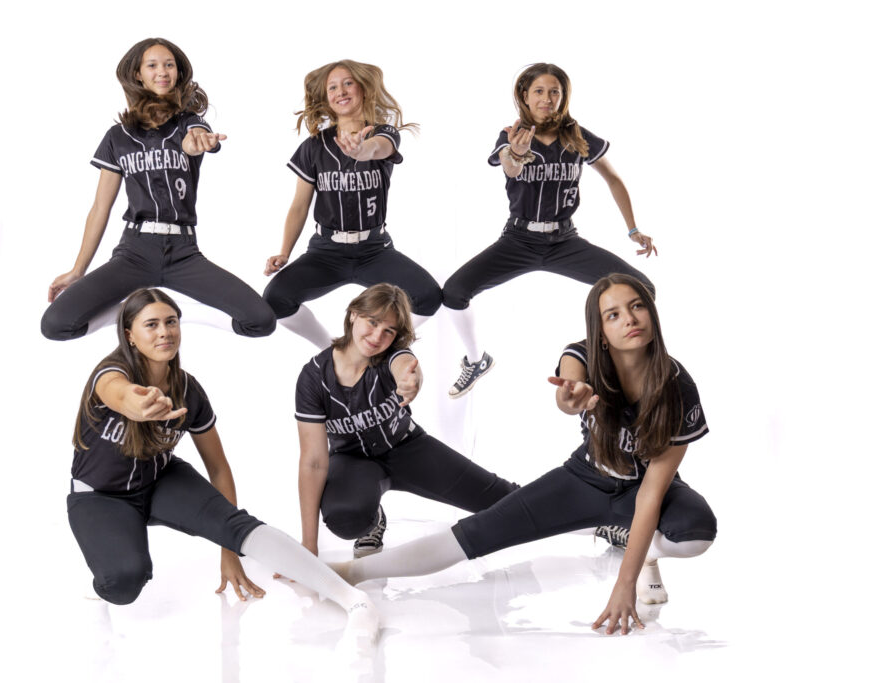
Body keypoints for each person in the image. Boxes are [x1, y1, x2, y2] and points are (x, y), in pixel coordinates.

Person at [329, 274, 716, 636]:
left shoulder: (678, 386)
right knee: (478, 532)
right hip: (584, 480)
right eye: (613, 315)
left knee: (697, 532)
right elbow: (571, 376)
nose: (629, 319)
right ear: (600, 334)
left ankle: (643, 548)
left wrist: (624, 583)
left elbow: (652, 492)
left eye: (637, 306)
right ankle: (353, 571)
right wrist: (571, 394)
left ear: (652, 312)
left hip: (644, 488)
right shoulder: (588, 355)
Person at [66, 288, 377, 642]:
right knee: (123, 583)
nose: (164, 332)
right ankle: (107, 562)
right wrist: (139, 406)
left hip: (160, 480)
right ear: (129, 335)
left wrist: (228, 552)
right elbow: (120, 394)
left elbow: (218, 468)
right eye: (150, 325)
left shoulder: (188, 389)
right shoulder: (109, 373)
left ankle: (351, 598)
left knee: (237, 525)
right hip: (101, 496)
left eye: (171, 322)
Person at [442, 63, 657, 398]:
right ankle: (476, 360)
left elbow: (614, 179)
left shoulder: (577, 136)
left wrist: (633, 229)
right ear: (524, 97)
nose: (547, 99)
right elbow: (511, 168)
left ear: (563, 96)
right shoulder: (512, 135)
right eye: (539, 92)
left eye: (554, 92)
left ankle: (598, 359)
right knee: (454, 292)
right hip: (518, 240)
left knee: (642, 289)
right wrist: (516, 152)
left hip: (564, 241)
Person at [41, 38, 275, 342]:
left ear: (178, 73)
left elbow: (194, 140)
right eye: (152, 65)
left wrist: (199, 141)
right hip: (134, 251)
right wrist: (77, 269)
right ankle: (131, 313)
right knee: (55, 324)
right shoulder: (117, 137)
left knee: (261, 320)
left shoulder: (188, 123)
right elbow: (100, 207)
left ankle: (179, 312)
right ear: (138, 74)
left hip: (184, 253)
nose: (162, 71)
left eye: (169, 65)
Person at [294, 284, 517, 558]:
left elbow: (406, 365)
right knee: (346, 518)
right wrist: (308, 545)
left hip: (408, 448)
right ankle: (372, 517)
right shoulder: (314, 377)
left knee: (506, 502)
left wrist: (411, 381)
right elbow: (313, 461)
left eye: (389, 330)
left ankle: (576, 507)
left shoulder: (392, 355)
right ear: (353, 314)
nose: (377, 336)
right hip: (352, 461)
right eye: (372, 322)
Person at [262, 60, 442, 348]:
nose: (340, 91)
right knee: (275, 300)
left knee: (429, 296)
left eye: (348, 83)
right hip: (326, 251)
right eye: (332, 87)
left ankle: (382, 351)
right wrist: (284, 252)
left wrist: (363, 149)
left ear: (363, 89)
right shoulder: (313, 146)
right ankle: (334, 350)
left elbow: (380, 146)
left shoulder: (384, 133)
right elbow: (299, 206)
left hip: (374, 250)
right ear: (326, 98)